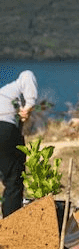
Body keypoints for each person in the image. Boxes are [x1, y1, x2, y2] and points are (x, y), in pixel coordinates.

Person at [0, 70, 38, 217]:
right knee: (14, 181)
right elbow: (28, 75)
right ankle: (12, 227)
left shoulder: (6, 96)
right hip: (4, 129)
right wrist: (29, 105)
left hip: (7, 131)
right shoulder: (16, 86)